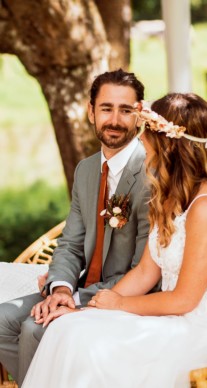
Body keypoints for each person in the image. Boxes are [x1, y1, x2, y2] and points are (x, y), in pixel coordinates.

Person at [21, 93, 207, 388]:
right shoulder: (168, 199)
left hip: (203, 325)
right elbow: (144, 272)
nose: (140, 140)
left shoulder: (205, 208)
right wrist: (89, 310)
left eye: (147, 133)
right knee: (69, 328)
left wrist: (120, 304)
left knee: (91, 347)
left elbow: (185, 299)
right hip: (175, 315)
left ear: (167, 144)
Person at [0, 69, 151, 386]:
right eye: (106, 108)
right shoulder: (85, 170)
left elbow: (146, 269)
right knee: (2, 320)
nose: (115, 120)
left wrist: (78, 301)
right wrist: (62, 289)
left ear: (140, 114)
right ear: (91, 111)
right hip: (79, 288)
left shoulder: (151, 176)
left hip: (126, 295)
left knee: (35, 328)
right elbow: (70, 244)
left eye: (126, 110)